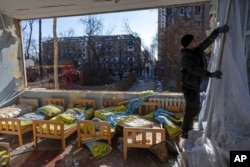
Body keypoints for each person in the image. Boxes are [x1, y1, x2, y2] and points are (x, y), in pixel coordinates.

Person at [179, 24, 229, 150]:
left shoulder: (197, 49)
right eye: (194, 40)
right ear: (189, 44)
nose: (197, 40)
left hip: (194, 84)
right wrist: (210, 74)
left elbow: (207, 42)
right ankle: (185, 131)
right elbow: (194, 70)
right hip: (189, 87)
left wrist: (217, 31)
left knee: (193, 108)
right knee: (192, 109)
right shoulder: (186, 57)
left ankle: (187, 129)